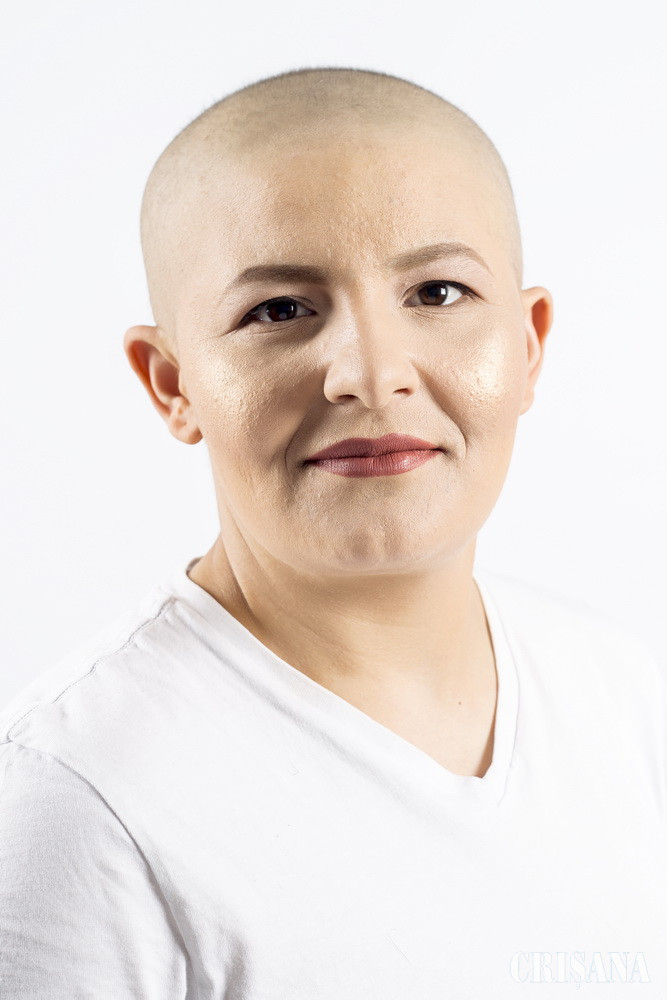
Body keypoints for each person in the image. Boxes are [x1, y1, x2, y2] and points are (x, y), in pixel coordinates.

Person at [1, 66, 665, 997]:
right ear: (172, 383)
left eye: (438, 293)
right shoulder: (81, 799)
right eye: (278, 310)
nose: (371, 372)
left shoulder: (621, 696)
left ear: (527, 347)